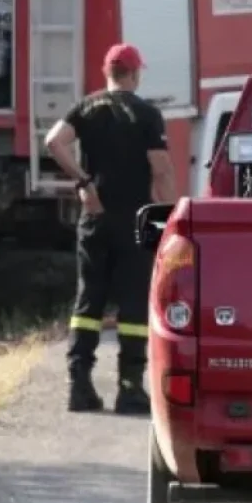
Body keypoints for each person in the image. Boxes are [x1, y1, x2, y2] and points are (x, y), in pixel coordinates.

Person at [44, 43, 177, 415]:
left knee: (88, 301)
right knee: (134, 304)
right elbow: (161, 170)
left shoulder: (86, 107)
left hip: (95, 216)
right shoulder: (147, 114)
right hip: (138, 217)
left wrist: (84, 183)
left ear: (107, 73)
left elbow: (53, 141)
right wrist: (171, 219)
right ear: (134, 75)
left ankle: (79, 386)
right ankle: (130, 388)